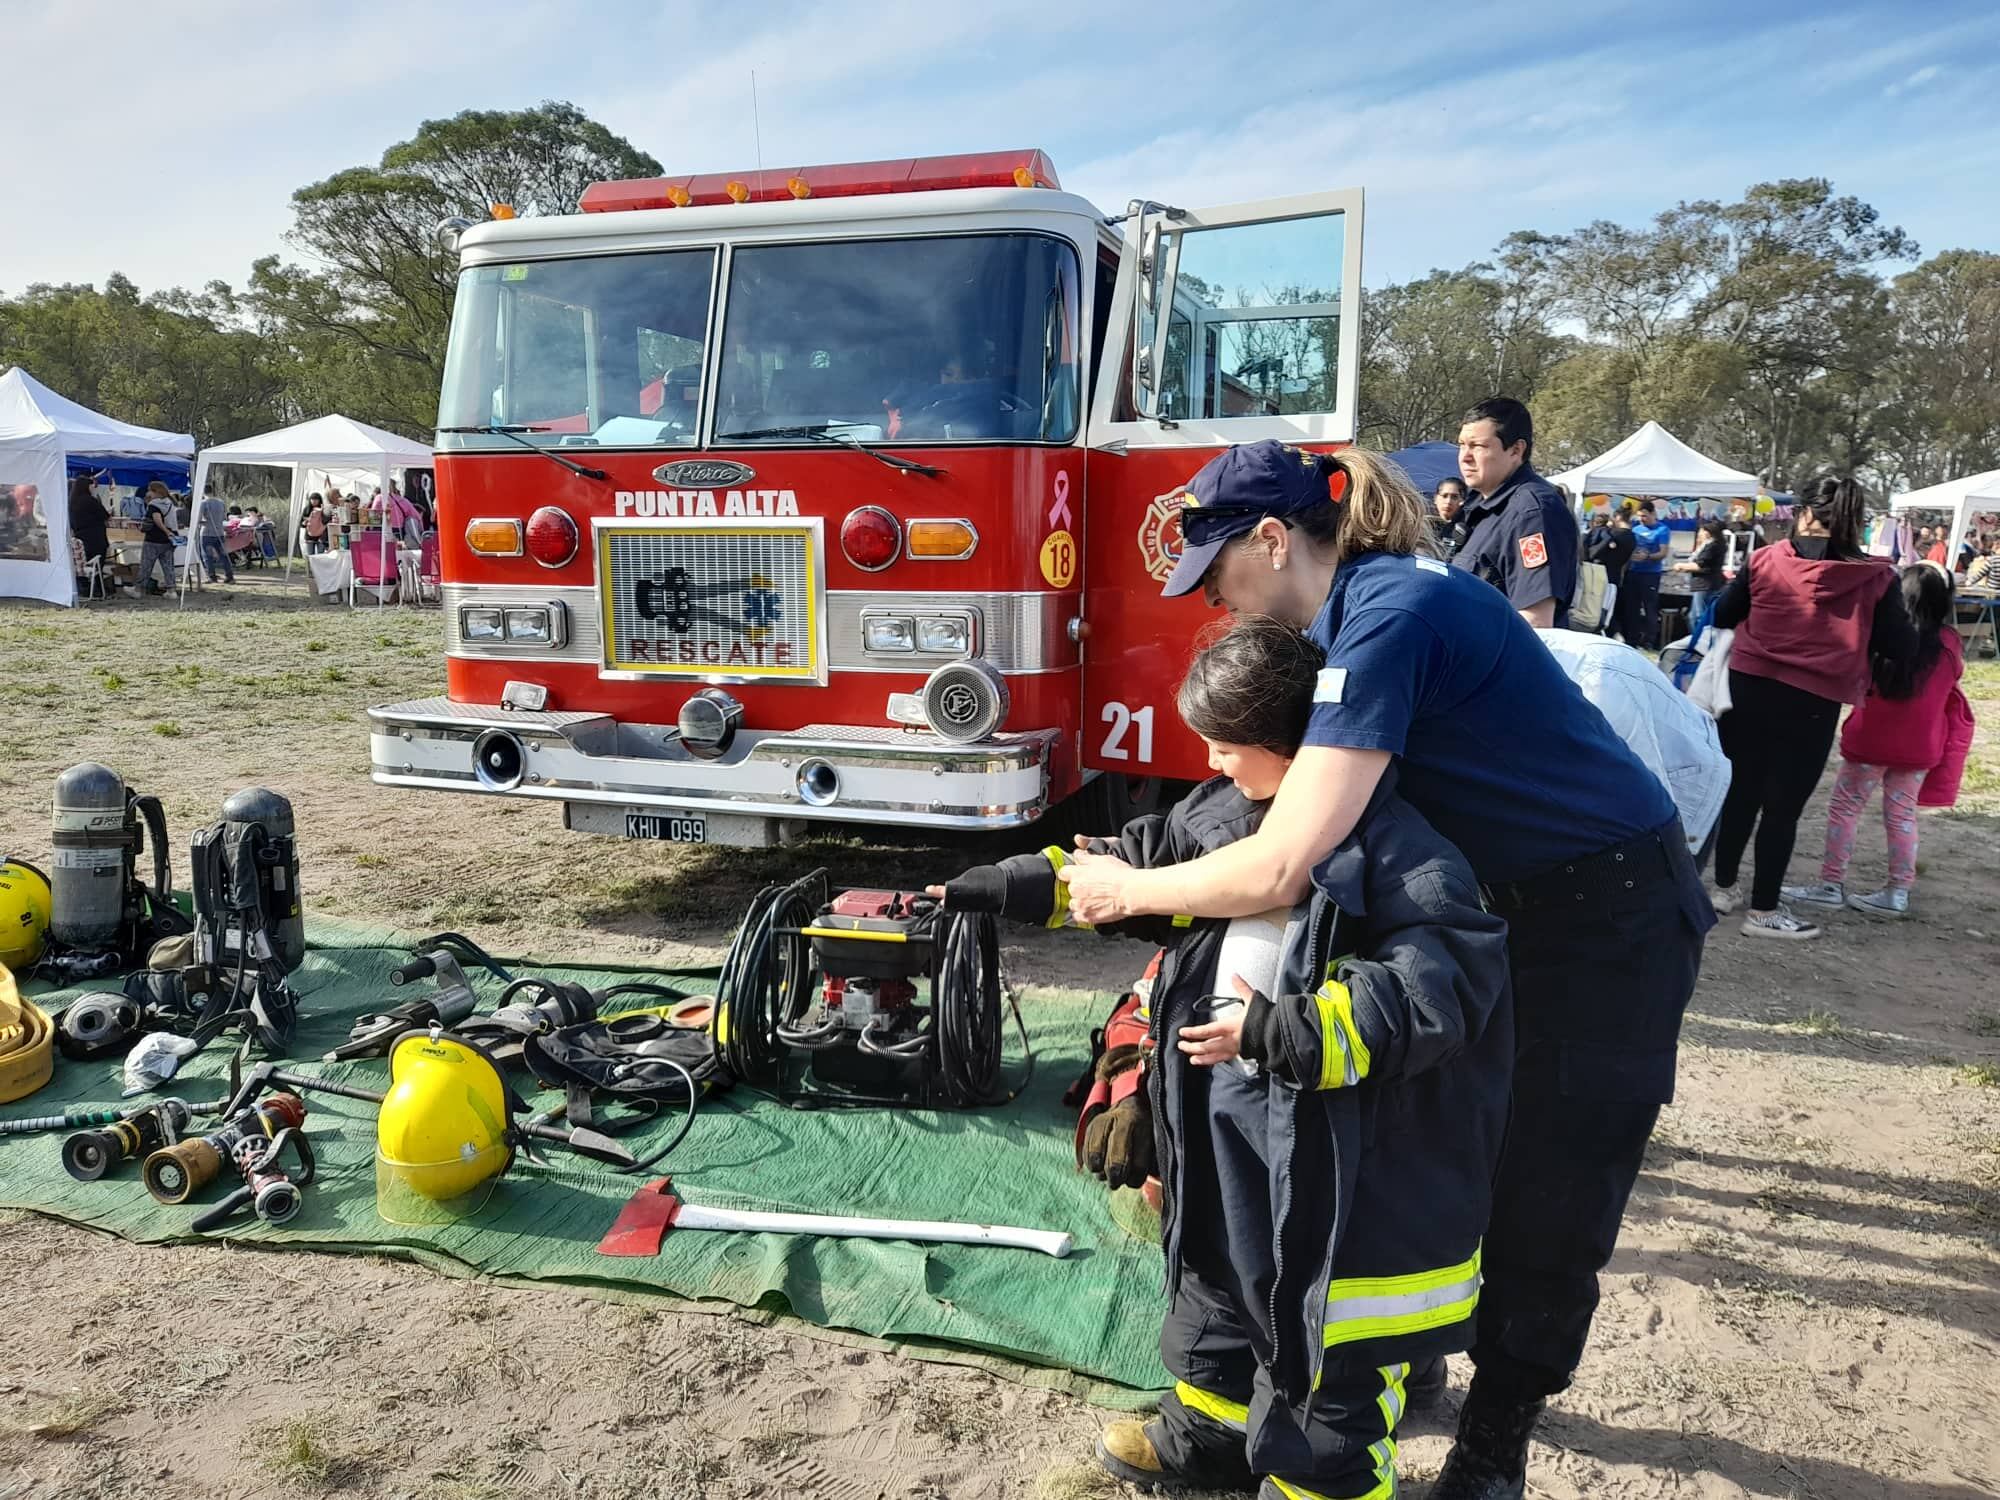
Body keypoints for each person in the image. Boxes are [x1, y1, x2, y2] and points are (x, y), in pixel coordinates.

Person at [1057, 440, 1713, 1500]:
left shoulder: (1387, 618)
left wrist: (1124, 893)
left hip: (1601, 929)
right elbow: (1268, 810)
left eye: (1218, 575)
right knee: (1431, 1147)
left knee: (1548, 1189)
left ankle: (1495, 1442)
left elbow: (1285, 856)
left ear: (1272, 541)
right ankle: (1335, 1390)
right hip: (1493, 909)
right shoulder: (1357, 606)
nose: (1216, 605)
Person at [933, 616, 1513, 1500]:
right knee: (1216, 1293)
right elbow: (1135, 866)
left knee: (1330, 1377)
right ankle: (1210, 1434)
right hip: (1223, 1132)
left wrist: (1279, 1032)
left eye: (1228, 747)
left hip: (1342, 1175)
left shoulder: (1406, 859)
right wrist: (1009, 884)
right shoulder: (1225, 812)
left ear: (1300, 749)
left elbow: (1431, 996)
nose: (1210, 764)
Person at [1707, 475, 1916, 940]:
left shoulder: (1764, 559)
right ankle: (1764, 912)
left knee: (1741, 791)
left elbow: (1722, 614)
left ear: (1803, 512)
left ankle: (1722, 890)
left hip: (1748, 686)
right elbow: (1899, 645)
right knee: (1783, 806)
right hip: (1814, 699)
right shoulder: (1876, 576)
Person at [1784, 565, 1967, 918]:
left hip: (1870, 741)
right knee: (1901, 817)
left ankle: (1830, 884)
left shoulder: (1880, 637)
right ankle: (1898, 892)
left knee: (1845, 808)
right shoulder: (1950, 644)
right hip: (1919, 748)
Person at [1453, 397, 1579, 628]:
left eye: (1478, 446)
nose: (1465, 457)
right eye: (1462, 445)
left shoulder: (1533, 514)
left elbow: (1536, 622)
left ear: (1516, 450)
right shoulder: (1478, 506)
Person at [1615, 501, 1671, 647]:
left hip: (1650, 574)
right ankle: (1632, 639)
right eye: (1640, 516)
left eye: (1645, 516)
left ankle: (1649, 640)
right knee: (1631, 608)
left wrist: (1648, 557)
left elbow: (1663, 552)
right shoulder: (1636, 529)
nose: (1642, 519)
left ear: (1653, 514)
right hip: (1633, 573)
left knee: (1649, 607)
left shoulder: (1662, 530)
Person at [1672, 517, 1728, 646]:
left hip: (1705, 584)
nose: (1699, 533)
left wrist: (1681, 566)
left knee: (1699, 616)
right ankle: (1696, 640)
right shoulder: (1710, 545)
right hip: (1701, 583)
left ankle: (1701, 642)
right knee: (1693, 615)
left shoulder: (1713, 546)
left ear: (1708, 532)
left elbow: (1700, 565)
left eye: (1702, 530)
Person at [1584, 507, 1636, 635]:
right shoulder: (1632, 537)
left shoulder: (1612, 535)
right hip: (1616, 576)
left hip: (1599, 575)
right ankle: (1613, 633)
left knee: (1596, 610)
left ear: (1617, 517)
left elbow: (1593, 552)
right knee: (1609, 610)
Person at [67, 474, 113, 589]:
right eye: (91, 485)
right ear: (86, 486)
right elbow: (105, 515)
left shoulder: (71, 502)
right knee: (98, 564)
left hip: (79, 536)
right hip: (95, 537)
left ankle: (83, 586)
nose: (93, 487)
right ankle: (98, 588)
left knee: (81, 564)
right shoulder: (90, 500)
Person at [136, 493, 179, 595]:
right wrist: (169, 532)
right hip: (168, 540)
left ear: (155, 491)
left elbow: (157, 520)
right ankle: (171, 590)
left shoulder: (154, 505)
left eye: (150, 490)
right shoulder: (170, 503)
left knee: (146, 565)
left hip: (153, 539)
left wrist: (165, 531)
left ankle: (138, 590)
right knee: (168, 566)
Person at [195, 491, 234, 584]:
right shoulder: (221, 502)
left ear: (203, 492)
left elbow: (198, 519)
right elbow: (224, 518)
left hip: (207, 533)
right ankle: (229, 575)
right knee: (223, 555)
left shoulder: (203, 503)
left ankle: (212, 576)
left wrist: (202, 523)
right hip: (219, 532)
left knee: (207, 556)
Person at [1431, 476, 1469, 557]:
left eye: (1454, 497)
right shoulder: (1422, 525)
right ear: (1435, 499)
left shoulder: (1466, 530)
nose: (1448, 502)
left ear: (1462, 501)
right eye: (1444, 496)